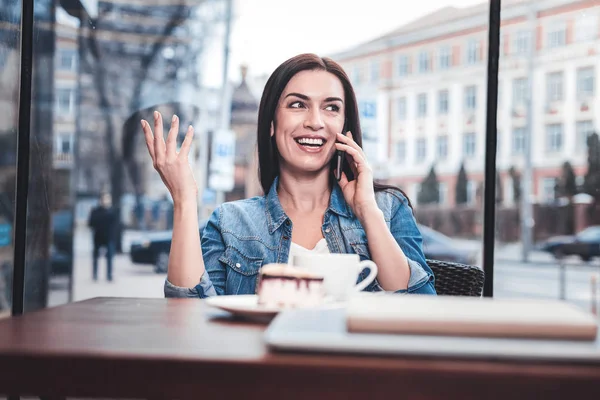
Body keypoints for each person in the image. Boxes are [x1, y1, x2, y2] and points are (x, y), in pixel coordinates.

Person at [140, 53, 436, 298]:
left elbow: (423, 310)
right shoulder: (230, 222)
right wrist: (184, 199)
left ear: (345, 126)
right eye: (298, 105)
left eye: (331, 108)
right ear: (271, 122)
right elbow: (188, 317)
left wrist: (367, 211)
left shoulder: (387, 208)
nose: (315, 122)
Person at [88, 192, 119, 281]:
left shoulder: (112, 211)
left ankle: (109, 275)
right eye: (104, 199)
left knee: (109, 257)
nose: (106, 201)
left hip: (109, 237)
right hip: (98, 237)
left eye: (107, 199)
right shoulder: (95, 211)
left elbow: (115, 224)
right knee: (95, 257)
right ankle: (95, 274)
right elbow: (91, 223)